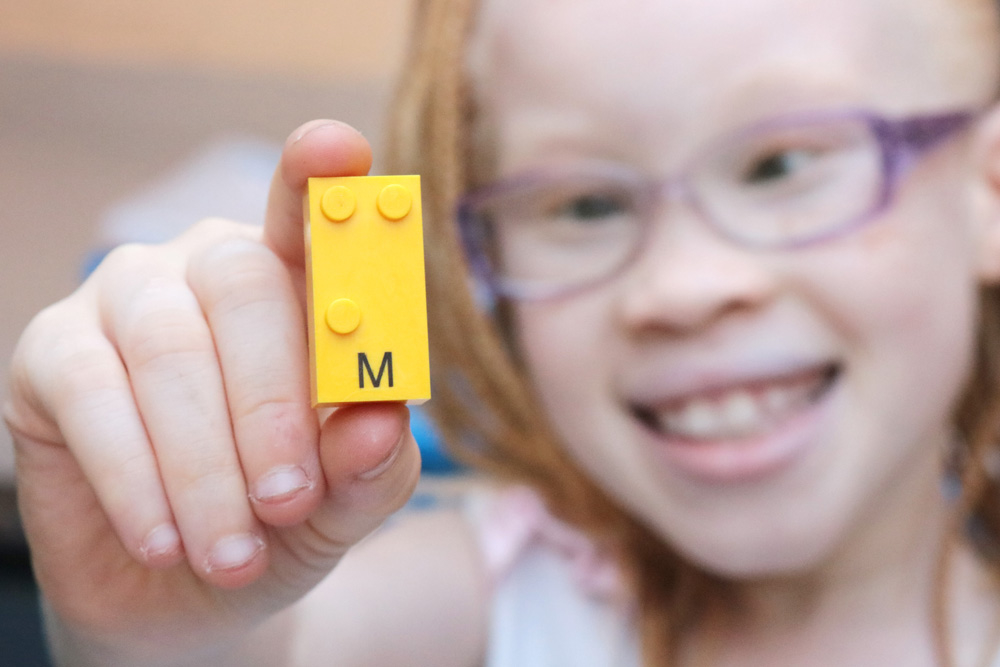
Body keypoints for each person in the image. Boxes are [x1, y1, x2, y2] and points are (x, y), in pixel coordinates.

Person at [7, 0, 1000, 664]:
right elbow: (274, 648)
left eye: (781, 165)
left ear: (988, 187)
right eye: (582, 205)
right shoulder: (494, 593)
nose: (683, 289)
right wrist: (156, 637)